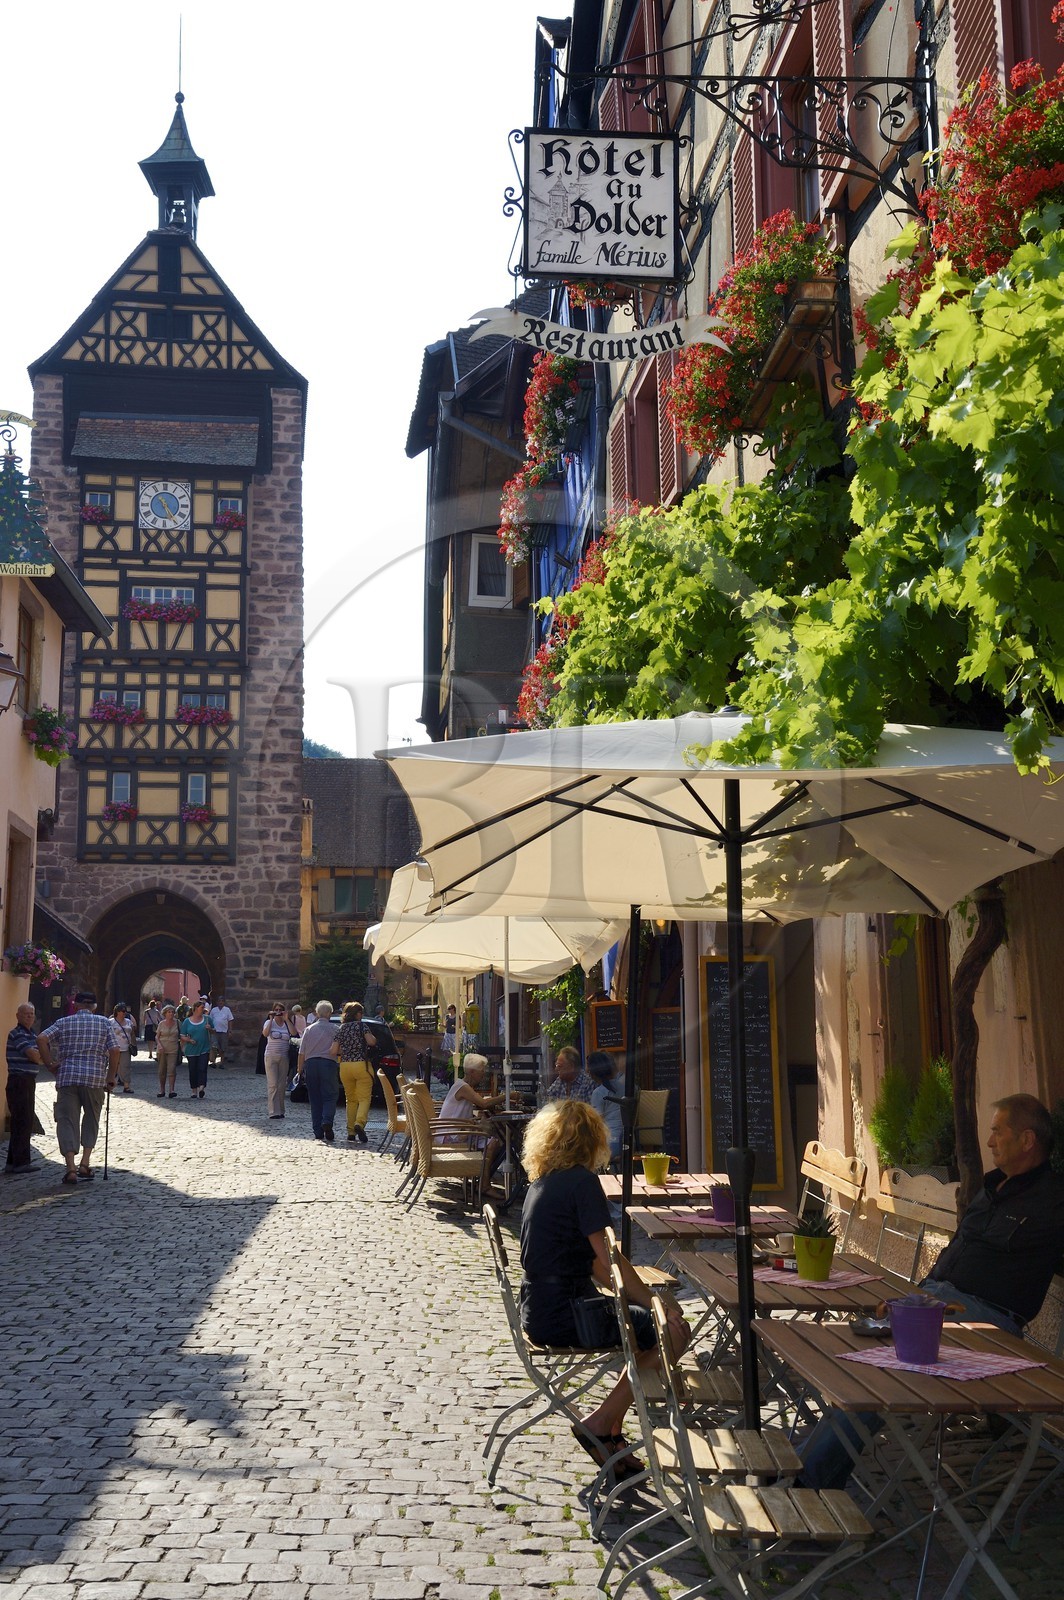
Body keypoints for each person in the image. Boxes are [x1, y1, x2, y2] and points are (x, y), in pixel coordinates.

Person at [800, 1093, 1064, 1490]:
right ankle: (807, 1473)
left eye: (997, 1132)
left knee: (881, 1375)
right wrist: (913, 1300)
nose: (989, 1142)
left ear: (1027, 1140)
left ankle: (807, 1484)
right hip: (937, 1302)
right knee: (852, 1356)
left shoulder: (1053, 1200)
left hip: (987, 1322)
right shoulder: (991, 1187)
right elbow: (959, 1250)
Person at [519, 1100, 690, 1475]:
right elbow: (609, 1260)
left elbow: (597, 1267)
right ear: (593, 1140)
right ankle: (601, 1422)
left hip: (540, 1309)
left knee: (646, 1327)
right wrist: (658, 1303)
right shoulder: (581, 1182)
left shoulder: (544, 1182)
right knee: (673, 1333)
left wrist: (643, 1301)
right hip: (568, 1314)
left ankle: (611, 1429)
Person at [36, 992, 123, 1184]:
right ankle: (85, 1162)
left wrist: (49, 1063)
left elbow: (42, 1038)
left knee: (67, 1120)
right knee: (92, 1118)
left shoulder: (64, 1022)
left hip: (68, 1077)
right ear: (94, 1006)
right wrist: (110, 1077)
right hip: (94, 1078)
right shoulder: (104, 1023)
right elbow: (115, 1050)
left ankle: (70, 1167)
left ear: (75, 1005)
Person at [5, 1002, 44, 1174]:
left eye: (32, 1014)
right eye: (26, 1014)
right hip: (19, 1081)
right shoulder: (17, 1033)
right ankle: (21, 1163)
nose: (29, 1016)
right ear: (18, 1016)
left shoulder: (31, 1034)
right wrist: (41, 1056)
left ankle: (13, 1163)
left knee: (22, 1121)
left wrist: (40, 1056)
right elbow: (35, 1056)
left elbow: (38, 1055)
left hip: (27, 1080)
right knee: (22, 1121)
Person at [297, 1000, 340, 1141]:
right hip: (328, 1064)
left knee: (314, 1098)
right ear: (328, 1013)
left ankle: (318, 1131)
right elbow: (339, 1050)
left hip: (311, 1064)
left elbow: (301, 1052)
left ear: (317, 1013)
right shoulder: (335, 1029)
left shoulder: (309, 1030)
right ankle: (327, 1121)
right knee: (330, 1095)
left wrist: (299, 1069)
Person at [336, 1001, 376, 1144]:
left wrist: (346, 1050)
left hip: (345, 1066)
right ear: (358, 1014)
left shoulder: (341, 1029)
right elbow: (371, 1042)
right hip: (361, 1065)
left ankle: (350, 1132)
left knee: (350, 1099)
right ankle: (359, 1123)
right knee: (364, 1098)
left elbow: (333, 1051)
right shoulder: (361, 1026)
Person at [588, 1051, 626, 1162]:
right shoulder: (625, 1088)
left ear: (592, 1072)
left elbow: (596, 1123)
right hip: (628, 1142)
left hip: (611, 1144)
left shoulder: (599, 1092)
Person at [262, 1004, 294, 1119]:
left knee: (281, 1085)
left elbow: (294, 1033)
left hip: (284, 1057)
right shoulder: (269, 1023)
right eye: (276, 1010)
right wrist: (270, 1019)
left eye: (280, 1010)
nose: (278, 1012)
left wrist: (287, 1019)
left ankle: (281, 1110)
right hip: (271, 1056)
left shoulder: (286, 1024)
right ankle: (273, 1111)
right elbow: (265, 1034)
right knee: (273, 1084)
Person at [180, 999, 211, 1099]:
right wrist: (189, 1040)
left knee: (202, 1068)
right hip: (191, 1050)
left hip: (204, 1048)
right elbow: (182, 1035)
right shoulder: (187, 1021)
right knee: (193, 1070)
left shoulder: (207, 1019)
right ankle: (194, 1090)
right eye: (201, 1008)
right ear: (195, 1009)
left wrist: (210, 1028)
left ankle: (201, 1088)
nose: (203, 1009)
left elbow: (214, 1031)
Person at [155, 1003, 181, 1097]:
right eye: (169, 1012)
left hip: (173, 1049)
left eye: (172, 1012)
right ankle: (162, 1090)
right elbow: (157, 1037)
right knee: (162, 1071)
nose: (171, 1014)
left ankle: (171, 1090)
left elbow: (181, 1035)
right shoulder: (161, 1024)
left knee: (172, 1069)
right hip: (162, 1049)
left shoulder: (177, 1023)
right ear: (165, 1013)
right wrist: (159, 1045)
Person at [111, 1003, 136, 1092]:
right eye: (123, 1011)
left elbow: (132, 1033)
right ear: (117, 1012)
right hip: (114, 1048)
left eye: (125, 1011)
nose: (124, 1013)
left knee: (126, 1066)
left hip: (125, 1048)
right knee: (113, 1067)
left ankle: (126, 1086)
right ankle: (110, 1085)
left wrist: (133, 1044)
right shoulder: (111, 1022)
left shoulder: (129, 1022)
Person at [209, 996, 234, 1065]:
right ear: (217, 1002)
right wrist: (210, 1029)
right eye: (219, 1001)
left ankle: (221, 1062)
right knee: (214, 1046)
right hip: (215, 1031)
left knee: (223, 1048)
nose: (220, 1002)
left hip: (224, 1031)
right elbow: (210, 1020)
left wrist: (230, 1030)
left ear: (224, 1002)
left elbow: (230, 1020)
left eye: (222, 1001)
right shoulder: (214, 1010)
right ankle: (213, 1062)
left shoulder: (227, 1010)